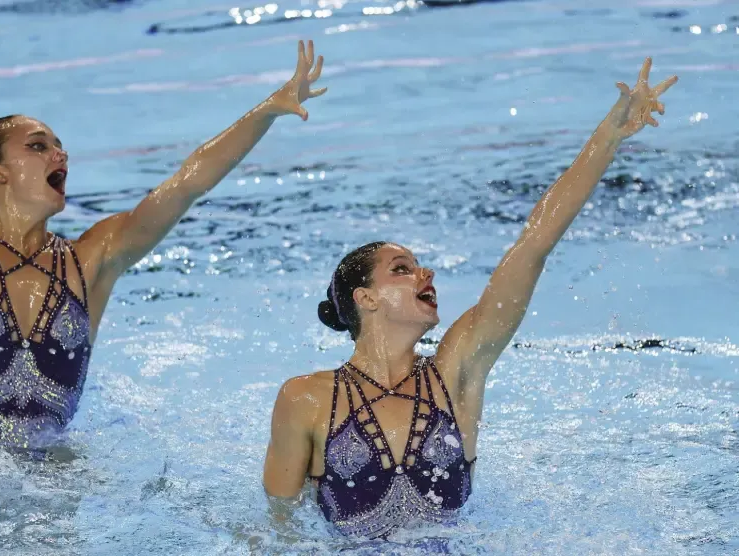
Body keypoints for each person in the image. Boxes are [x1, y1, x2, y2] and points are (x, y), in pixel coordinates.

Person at [262, 58, 677, 539]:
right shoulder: (307, 399)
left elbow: (532, 247)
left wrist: (608, 137)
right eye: (402, 269)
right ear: (366, 299)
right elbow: (279, 531)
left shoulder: (454, 375)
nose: (425, 273)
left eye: (419, 265)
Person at [0, 41, 327, 451]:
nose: (59, 155)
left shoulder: (91, 260)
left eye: (59, 146)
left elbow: (186, 184)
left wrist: (266, 110)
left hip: (57, 487)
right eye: (38, 147)